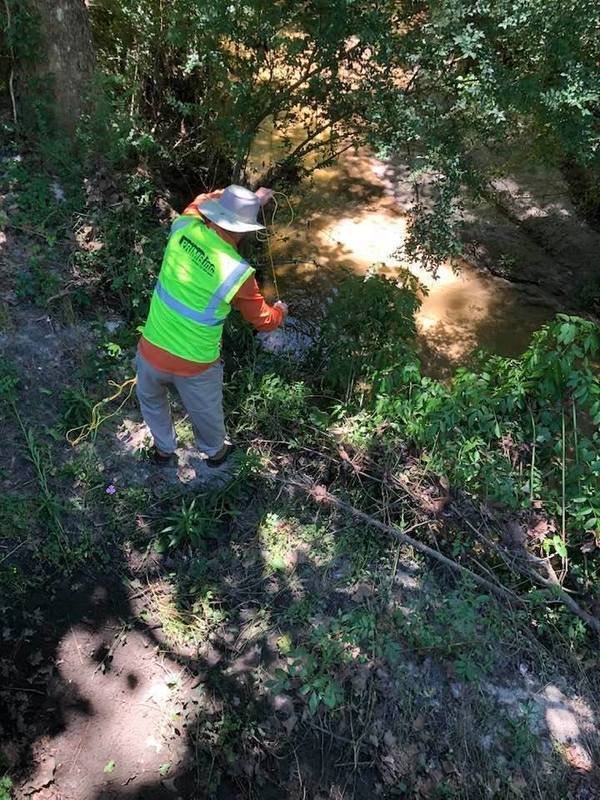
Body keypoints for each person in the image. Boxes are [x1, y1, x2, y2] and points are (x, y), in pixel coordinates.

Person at [136, 184, 288, 467]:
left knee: (152, 401)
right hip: (195, 363)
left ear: (216, 214)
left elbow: (200, 200)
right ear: (244, 230)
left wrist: (248, 199)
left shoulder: (183, 227)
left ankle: (163, 449)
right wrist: (280, 312)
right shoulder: (238, 272)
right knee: (205, 412)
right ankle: (215, 453)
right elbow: (264, 321)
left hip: (151, 350)